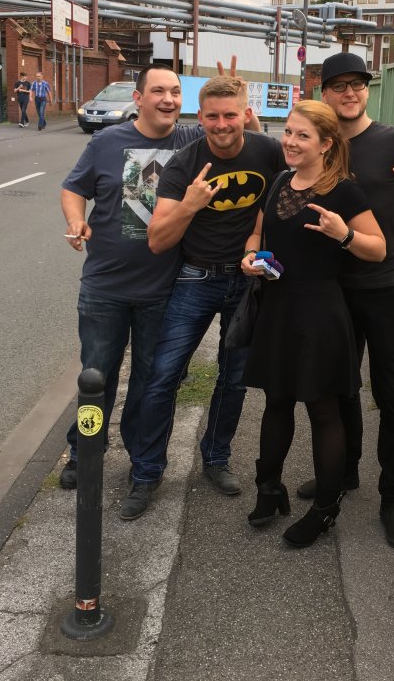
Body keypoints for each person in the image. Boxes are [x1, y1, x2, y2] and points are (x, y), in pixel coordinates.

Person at [58, 61, 256, 521]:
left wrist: (240, 99)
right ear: (139, 98)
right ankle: (84, 451)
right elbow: (72, 188)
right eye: (159, 91)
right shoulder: (107, 141)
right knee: (96, 378)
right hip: (105, 285)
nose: (168, 99)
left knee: (150, 383)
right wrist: (75, 220)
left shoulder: (192, 139)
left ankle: (139, 460)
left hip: (164, 288)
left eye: (175, 92)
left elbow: (240, 138)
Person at [299, 52, 394, 551]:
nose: (350, 93)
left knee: (392, 397)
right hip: (332, 289)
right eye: (340, 85)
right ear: (324, 92)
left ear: (367, 90)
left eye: (358, 84)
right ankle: (344, 473)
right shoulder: (318, 144)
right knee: (340, 389)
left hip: (385, 288)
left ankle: (392, 498)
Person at [241, 101, 385, 548]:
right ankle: (269, 489)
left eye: (302, 135)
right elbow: (258, 232)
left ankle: (325, 508)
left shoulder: (344, 192)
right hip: (278, 308)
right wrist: (250, 256)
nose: (290, 141)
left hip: (320, 314)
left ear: (326, 144)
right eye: (288, 132)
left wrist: (345, 235)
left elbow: (378, 248)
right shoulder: (279, 182)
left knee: (323, 411)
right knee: (276, 401)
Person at [144, 75, 285, 517]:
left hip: (246, 281)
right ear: (199, 117)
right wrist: (190, 204)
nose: (221, 125)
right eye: (212, 117)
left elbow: (309, 178)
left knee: (235, 378)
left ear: (245, 114)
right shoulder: (184, 164)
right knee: (164, 376)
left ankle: (216, 457)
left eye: (230, 115)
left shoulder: (269, 151)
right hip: (196, 278)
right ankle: (146, 472)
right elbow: (157, 241)